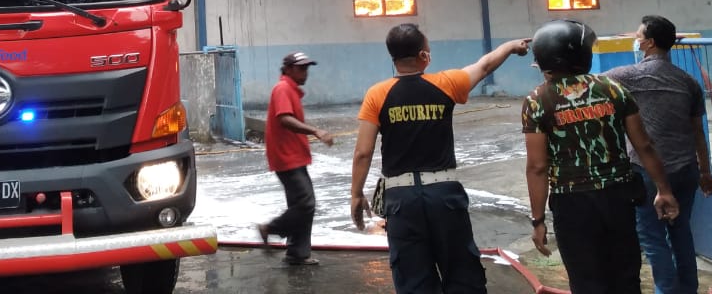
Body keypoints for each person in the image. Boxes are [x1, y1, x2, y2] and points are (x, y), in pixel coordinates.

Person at [349, 24, 530, 294]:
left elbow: (363, 152)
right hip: (444, 195)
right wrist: (510, 46)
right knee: (462, 274)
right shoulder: (446, 84)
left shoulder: (377, 94)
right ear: (424, 56)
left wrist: (356, 194)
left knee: (413, 279)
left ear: (393, 58)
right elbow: (485, 65)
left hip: (401, 201)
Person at [522, 19, 680, 294]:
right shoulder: (612, 89)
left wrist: (538, 221)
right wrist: (664, 190)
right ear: (583, 55)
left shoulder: (537, 101)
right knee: (625, 277)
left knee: (586, 282)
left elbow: (537, 167)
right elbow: (644, 146)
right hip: (618, 196)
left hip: (572, 205)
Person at [606, 16, 712, 294]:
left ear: (649, 43)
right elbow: (698, 133)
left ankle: (666, 290)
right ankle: (688, 290)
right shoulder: (688, 81)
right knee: (681, 233)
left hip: (648, 173)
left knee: (653, 238)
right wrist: (705, 171)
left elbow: (590, 83)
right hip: (686, 170)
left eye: (638, 36)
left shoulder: (626, 76)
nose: (636, 39)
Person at [257, 51, 335, 266]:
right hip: (286, 157)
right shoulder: (282, 89)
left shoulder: (290, 89)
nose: (305, 72)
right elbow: (284, 119)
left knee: (301, 204)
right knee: (306, 204)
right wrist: (316, 131)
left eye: (307, 68)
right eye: (301, 68)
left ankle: (297, 253)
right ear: (288, 69)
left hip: (294, 156)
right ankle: (270, 229)